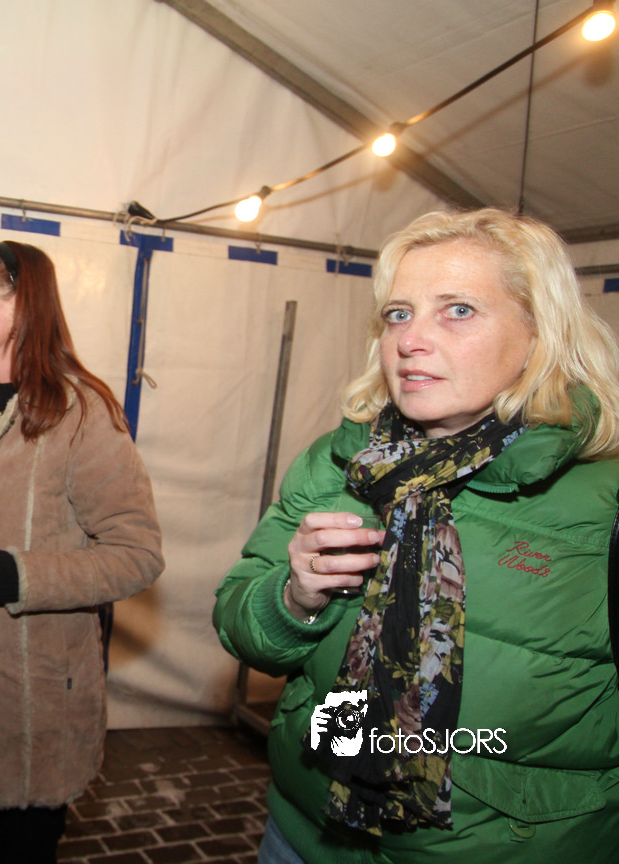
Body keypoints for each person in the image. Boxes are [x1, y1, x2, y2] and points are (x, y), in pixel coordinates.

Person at [214, 208, 619, 863]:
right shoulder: (339, 461)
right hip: (307, 832)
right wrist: (293, 597)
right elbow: (240, 624)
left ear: (540, 330)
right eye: (399, 314)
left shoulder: (601, 498)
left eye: (458, 310)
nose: (411, 339)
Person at [0, 239, 164, 863]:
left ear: (20, 307)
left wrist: (17, 576)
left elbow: (137, 554)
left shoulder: (83, 414)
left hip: (35, 697)